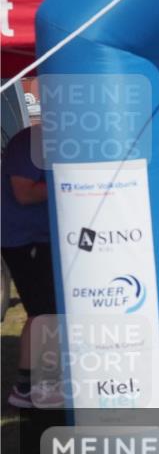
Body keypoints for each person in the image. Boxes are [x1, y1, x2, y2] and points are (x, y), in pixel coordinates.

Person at [1, 126, 61, 408]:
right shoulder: (29, 141)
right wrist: (72, 179)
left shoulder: (59, 141)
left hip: (46, 237)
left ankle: (36, 382)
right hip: (24, 238)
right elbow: (23, 193)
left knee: (48, 311)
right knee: (43, 311)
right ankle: (26, 387)